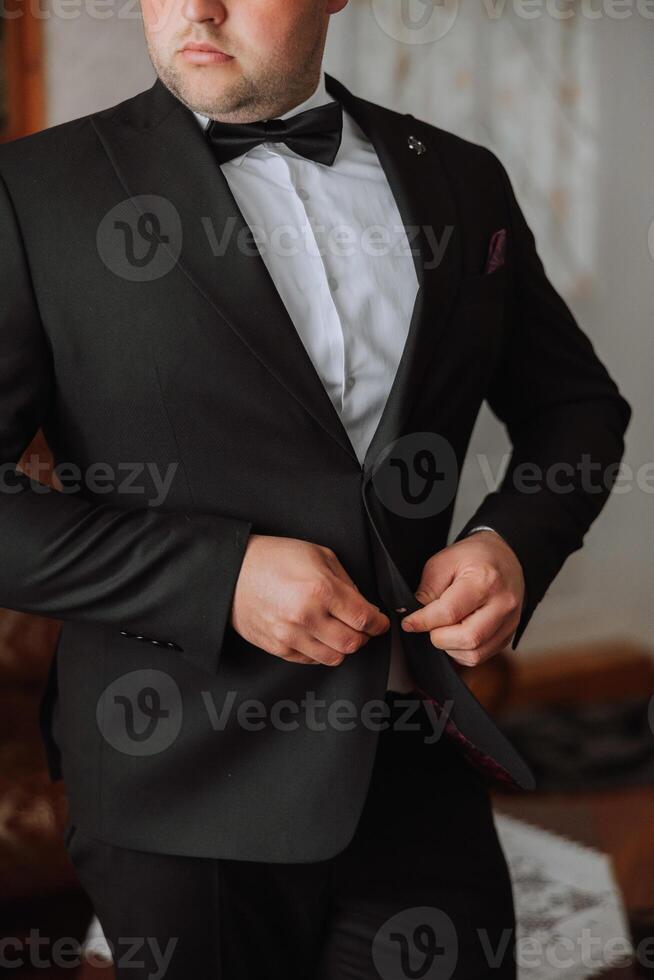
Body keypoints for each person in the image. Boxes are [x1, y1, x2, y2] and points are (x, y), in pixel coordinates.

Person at [0, 0, 631, 976]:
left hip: (413, 748)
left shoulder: (461, 178)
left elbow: (580, 410)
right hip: (178, 778)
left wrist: (514, 542)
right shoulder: (32, 191)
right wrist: (220, 577)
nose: (197, 8)